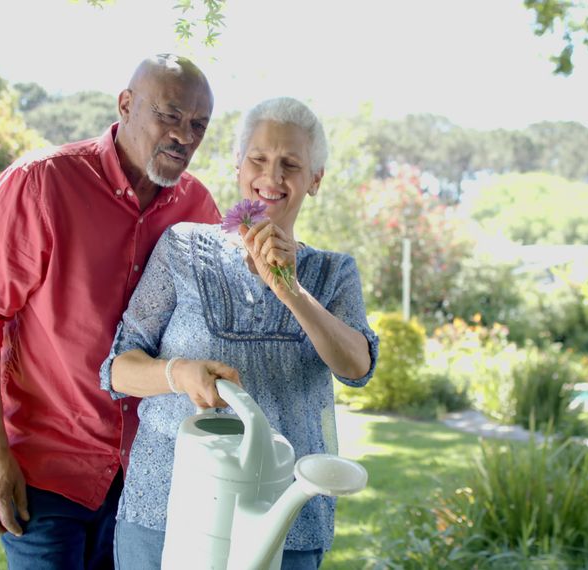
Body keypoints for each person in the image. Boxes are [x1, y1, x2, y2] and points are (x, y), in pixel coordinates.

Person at [0, 54, 220, 568]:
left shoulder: (199, 209)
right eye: (170, 114)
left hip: (147, 478)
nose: (185, 135)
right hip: (46, 472)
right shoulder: (40, 182)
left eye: (198, 124)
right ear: (126, 104)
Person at [100, 96, 379, 569]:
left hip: (285, 523)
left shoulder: (334, 273)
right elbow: (119, 370)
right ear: (236, 165)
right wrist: (179, 374)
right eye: (259, 159)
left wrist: (291, 290)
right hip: (164, 511)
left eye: (291, 164)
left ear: (315, 180)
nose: (272, 177)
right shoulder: (182, 248)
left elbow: (357, 368)